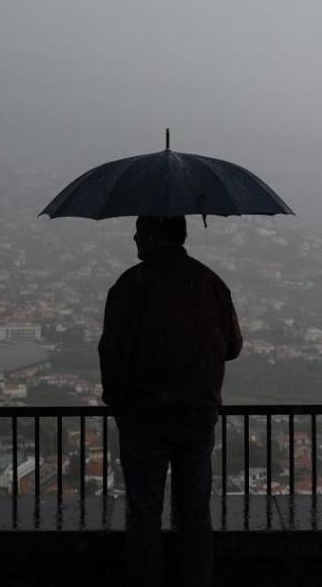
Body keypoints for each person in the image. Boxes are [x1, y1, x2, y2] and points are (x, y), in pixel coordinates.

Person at [98, 215, 244, 587]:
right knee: (195, 511)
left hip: (144, 418)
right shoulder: (211, 283)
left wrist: (119, 403)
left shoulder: (132, 285)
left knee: (144, 512)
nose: (133, 237)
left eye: (138, 230)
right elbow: (233, 346)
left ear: (151, 236)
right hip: (197, 416)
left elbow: (113, 354)